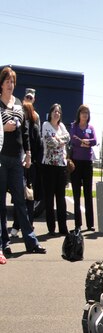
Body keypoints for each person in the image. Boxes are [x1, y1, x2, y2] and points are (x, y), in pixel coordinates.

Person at [0, 66, 45, 256]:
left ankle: (31, 242)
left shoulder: (18, 103)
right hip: (1, 158)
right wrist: (3, 127)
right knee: (0, 203)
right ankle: (3, 243)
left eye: (12, 82)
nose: (10, 85)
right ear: (1, 84)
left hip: (17, 159)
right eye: (7, 81)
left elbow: (25, 131)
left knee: (21, 201)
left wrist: (27, 153)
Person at [40, 103, 72, 237]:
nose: (56, 113)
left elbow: (68, 137)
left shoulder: (62, 126)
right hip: (48, 166)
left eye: (58, 112)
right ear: (50, 113)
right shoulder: (46, 125)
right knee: (49, 198)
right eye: (54, 111)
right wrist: (60, 141)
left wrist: (58, 139)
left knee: (61, 198)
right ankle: (51, 228)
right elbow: (49, 142)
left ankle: (63, 227)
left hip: (61, 166)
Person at [69, 104, 98, 233]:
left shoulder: (90, 128)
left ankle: (90, 224)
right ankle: (78, 224)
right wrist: (85, 142)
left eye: (87, 113)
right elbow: (74, 140)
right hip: (76, 163)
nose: (84, 115)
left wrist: (83, 142)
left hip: (87, 163)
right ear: (79, 114)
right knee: (76, 194)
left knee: (87, 194)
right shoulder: (74, 126)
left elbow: (94, 141)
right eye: (82, 113)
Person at [22, 88, 42, 221]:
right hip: (18, 158)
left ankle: (28, 222)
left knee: (28, 193)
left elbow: (37, 139)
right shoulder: (19, 112)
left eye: (31, 98)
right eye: (27, 97)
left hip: (30, 161)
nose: (29, 99)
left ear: (34, 100)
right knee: (19, 193)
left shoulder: (36, 117)